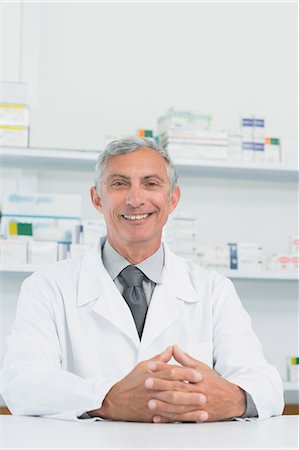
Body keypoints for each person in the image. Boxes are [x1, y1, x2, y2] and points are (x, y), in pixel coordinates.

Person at [1, 137, 284, 423]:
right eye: (119, 184)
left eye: (151, 183)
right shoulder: (47, 287)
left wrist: (233, 398)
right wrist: (108, 398)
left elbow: (265, 385)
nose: (136, 199)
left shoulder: (213, 290)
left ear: (172, 199)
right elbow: (22, 383)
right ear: (97, 199)